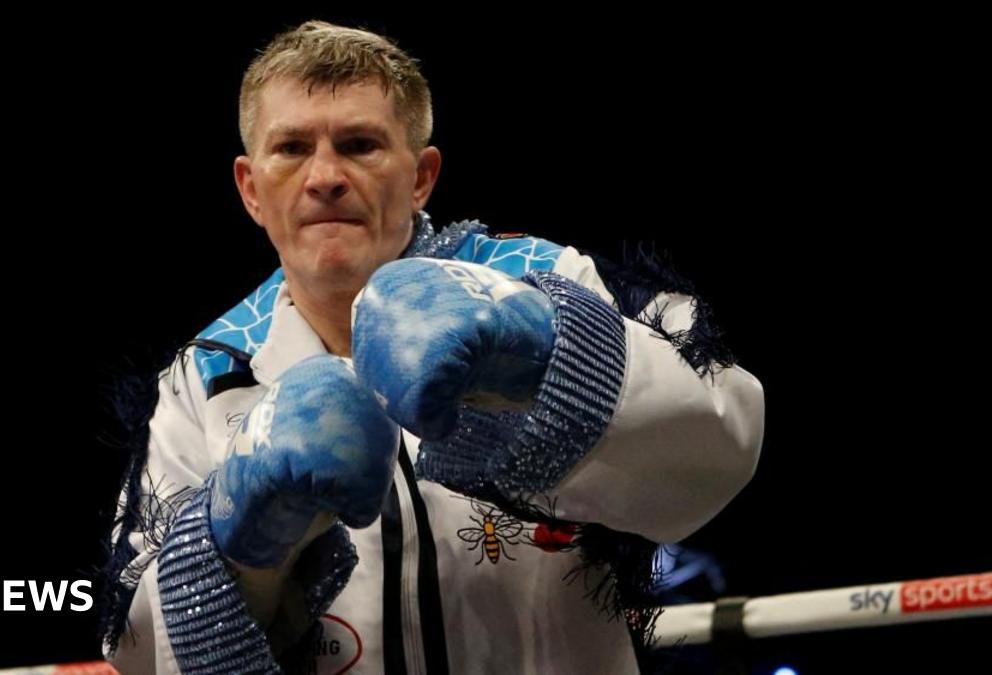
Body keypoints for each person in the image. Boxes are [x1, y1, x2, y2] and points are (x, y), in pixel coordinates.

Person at [100, 20, 765, 675]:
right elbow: (134, 651)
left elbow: (723, 446)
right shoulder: (208, 372)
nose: (325, 175)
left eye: (359, 144)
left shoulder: (544, 279)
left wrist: (548, 355)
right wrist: (239, 542)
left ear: (421, 176)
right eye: (293, 148)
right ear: (250, 188)